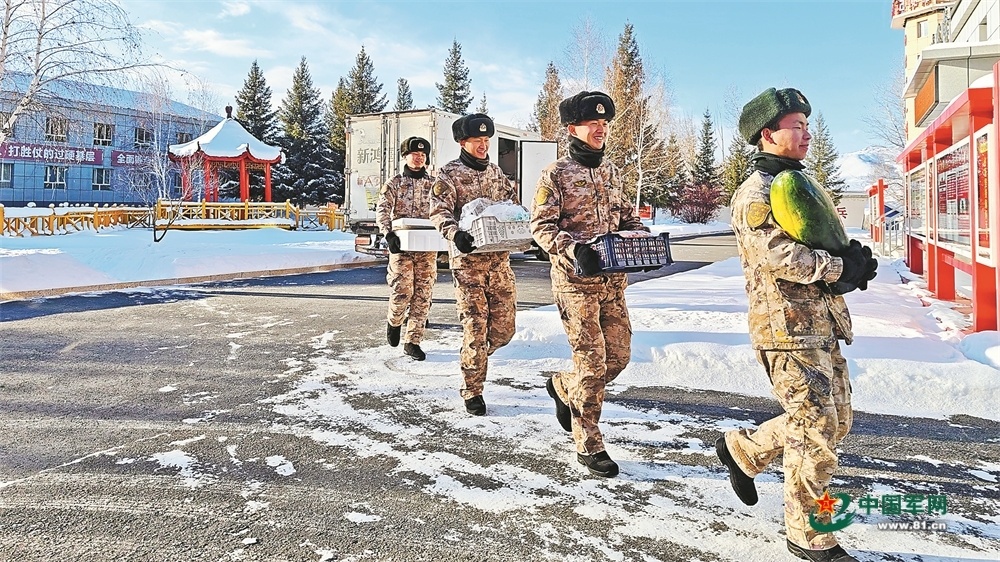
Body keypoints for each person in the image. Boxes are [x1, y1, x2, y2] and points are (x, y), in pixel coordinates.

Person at [717, 87, 877, 562]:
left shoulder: (802, 185)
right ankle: (809, 534)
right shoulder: (757, 192)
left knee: (836, 421)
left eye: (807, 125)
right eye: (796, 126)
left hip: (821, 322)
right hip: (785, 327)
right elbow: (777, 255)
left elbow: (822, 237)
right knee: (814, 428)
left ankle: (745, 449)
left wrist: (850, 263)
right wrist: (836, 268)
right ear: (768, 134)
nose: (805, 133)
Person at [530, 91, 648, 478]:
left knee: (618, 357)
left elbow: (628, 220)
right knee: (592, 363)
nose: (601, 128)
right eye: (592, 123)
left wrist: (640, 242)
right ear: (573, 129)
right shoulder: (556, 174)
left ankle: (564, 387)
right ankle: (589, 443)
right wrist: (574, 251)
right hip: (576, 283)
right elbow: (541, 227)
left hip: (613, 284)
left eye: (604, 123)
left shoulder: (613, 172)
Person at [429, 113, 518, 416]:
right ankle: (473, 389)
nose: (483, 145)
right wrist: (455, 234)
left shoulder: (496, 173)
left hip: (499, 262)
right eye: (476, 141)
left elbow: (512, 207)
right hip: (468, 264)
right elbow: (439, 212)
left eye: (486, 140)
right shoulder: (448, 174)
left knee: (505, 330)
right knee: (475, 327)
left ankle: (475, 354)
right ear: (462, 142)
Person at [376, 136, 438, 361]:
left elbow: (444, 209)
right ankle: (394, 321)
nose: (419, 157)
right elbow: (383, 209)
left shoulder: (434, 184)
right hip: (402, 247)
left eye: (423, 155)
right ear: (405, 156)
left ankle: (413, 341)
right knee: (402, 292)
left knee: (423, 295)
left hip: (427, 247)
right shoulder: (394, 183)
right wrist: (388, 234)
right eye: (415, 154)